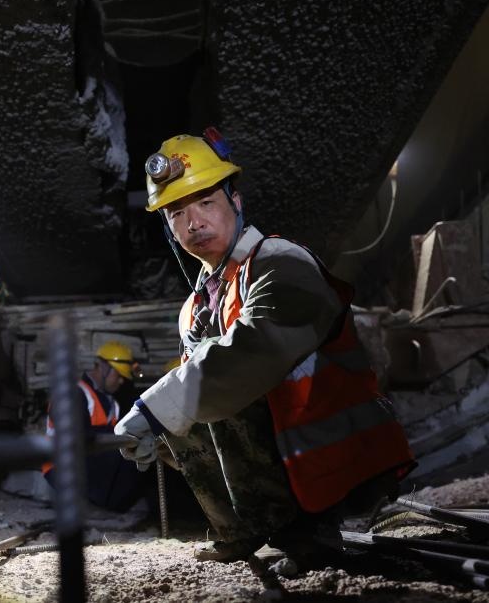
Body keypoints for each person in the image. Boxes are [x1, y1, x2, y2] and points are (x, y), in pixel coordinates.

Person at [114, 130, 415, 563]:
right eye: (177, 212)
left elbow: (254, 353)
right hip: (291, 458)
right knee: (181, 401)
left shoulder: (281, 260)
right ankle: (242, 529)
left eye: (206, 202)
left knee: (202, 388)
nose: (194, 222)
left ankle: (304, 531)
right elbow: (196, 405)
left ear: (235, 202)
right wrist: (159, 428)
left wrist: (155, 409)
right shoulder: (196, 306)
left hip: (339, 455)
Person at [44, 341, 150, 512]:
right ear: (102, 367)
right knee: (115, 448)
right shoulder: (73, 393)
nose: (121, 381)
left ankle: (113, 507)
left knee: (134, 454)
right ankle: (92, 507)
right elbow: (76, 437)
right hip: (60, 465)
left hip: (87, 462)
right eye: (119, 375)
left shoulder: (112, 403)